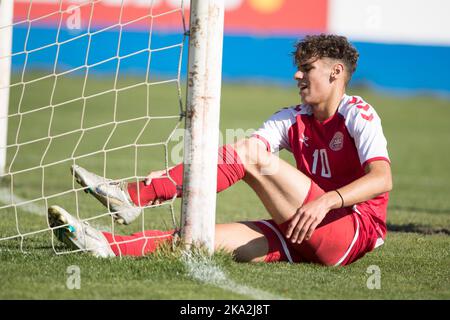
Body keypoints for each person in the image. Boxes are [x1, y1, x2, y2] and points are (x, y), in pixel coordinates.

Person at [48, 34, 392, 266]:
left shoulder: (357, 113)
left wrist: (328, 200)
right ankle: (107, 245)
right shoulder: (292, 118)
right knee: (197, 238)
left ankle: (133, 197)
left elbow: (382, 178)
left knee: (249, 155)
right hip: (299, 231)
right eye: (298, 67)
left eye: (307, 68)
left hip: (350, 230)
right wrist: (171, 178)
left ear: (335, 72)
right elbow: (238, 156)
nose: (296, 75)